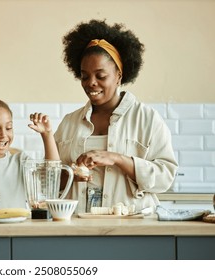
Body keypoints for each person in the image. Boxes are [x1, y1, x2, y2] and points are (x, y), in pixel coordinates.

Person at [54, 19, 178, 213]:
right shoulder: (69, 123)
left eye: (100, 76)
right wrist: (71, 172)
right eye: (84, 76)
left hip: (132, 224)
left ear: (119, 75)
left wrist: (117, 159)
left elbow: (165, 178)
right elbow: (51, 180)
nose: (91, 83)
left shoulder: (147, 119)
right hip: (77, 226)